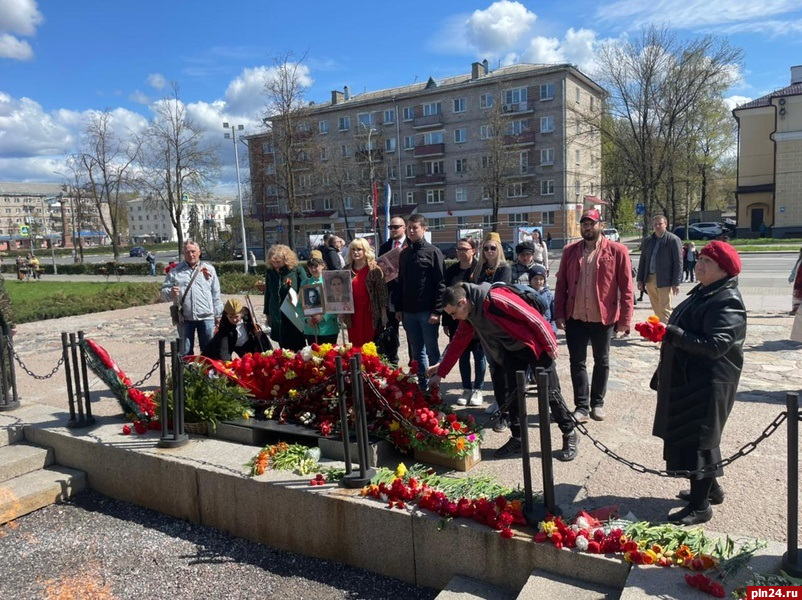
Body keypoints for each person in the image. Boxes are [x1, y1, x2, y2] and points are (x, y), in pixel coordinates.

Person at [651, 241, 746, 525]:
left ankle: (700, 505)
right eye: (700, 259)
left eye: (707, 262)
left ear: (723, 270)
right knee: (699, 439)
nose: (699, 265)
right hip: (691, 378)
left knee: (699, 440)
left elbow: (716, 345)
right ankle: (712, 489)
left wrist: (673, 333)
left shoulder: (727, 300)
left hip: (708, 383)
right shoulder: (707, 291)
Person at [427, 283, 578, 461]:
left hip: (534, 345)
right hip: (511, 351)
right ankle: (518, 438)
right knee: (513, 396)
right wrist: (440, 372)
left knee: (551, 393)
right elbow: (459, 341)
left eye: (453, 313)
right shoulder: (468, 315)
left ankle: (569, 433)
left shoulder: (496, 297)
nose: (453, 318)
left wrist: (550, 344)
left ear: (462, 302)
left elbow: (533, 317)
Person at [554, 208, 633, 423]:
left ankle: (597, 403)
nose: (588, 228)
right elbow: (561, 284)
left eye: (592, 224)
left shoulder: (617, 251)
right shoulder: (570, 251)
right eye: (584, 224)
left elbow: (627, 288)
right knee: (577, 362)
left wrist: (625, 320)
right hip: (575, 316)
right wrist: (558, 313)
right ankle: (581, 405)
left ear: (601, 225)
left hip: (603, 317)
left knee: (602, 360)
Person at [395, 214, 445, 391]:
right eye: (409, 227)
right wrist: (398, 308)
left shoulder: (433, 252)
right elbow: (401, 282)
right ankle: (422, 387)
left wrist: (437, 311)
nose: (411, 231)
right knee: (417, 352)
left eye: (415, 228)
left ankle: (435, 388)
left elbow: (441, 284)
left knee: (432, 351)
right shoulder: (405, 254)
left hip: (427, 312)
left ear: (424, 229)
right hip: (408, 312)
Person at [475, 232, 512, 427]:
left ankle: (504, 403)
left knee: (502, 365)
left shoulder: (504, 268)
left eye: (493, 248)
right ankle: (499, 399)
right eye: (486, 248)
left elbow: (498, 291)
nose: (489, 251)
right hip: (483, 322)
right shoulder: (480, 268)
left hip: (498, 322)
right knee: (492, 364)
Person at [442, 238, 485, 407]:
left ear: (473, 250)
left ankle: (478, 389)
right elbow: (447, 296)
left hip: (476, 319)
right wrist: (446, 320)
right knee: (462, 354)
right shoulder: (451, 270)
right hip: (456, 318)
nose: (461, 252)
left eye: (464, 249)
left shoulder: (479, 269)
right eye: (458, 248)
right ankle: (467, 388)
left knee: (479, 355)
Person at [160, 240, 223, 356]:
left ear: (199, 252)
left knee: (209, 352)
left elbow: (216, 294)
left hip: (206, 317)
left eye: (193, 251)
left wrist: (218, 315)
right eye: (187, 252)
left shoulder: (209, 270)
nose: (191, 254)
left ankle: (208, 374)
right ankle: (187, 374)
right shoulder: (176, 272)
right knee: (186, 353)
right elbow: (163, 293)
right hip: (185, 319)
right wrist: (171, 293)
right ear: (184, 254)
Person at [636, 215, 683, 324]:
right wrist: (640, 280)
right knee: (656, 309)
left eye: (660, 224)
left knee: (665, 309)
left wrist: (676, 282)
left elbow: (678, 262)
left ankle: (668, 334)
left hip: (665, 280)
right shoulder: (648, 241)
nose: (657, 226)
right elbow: (643, 261)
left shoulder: (673, 240)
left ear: (666, 224)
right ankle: (659, 332)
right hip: (650, 279)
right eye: (655, 224)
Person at [343, 238, 388, 348]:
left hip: (369, 312)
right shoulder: (346, 270)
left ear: (365, 251)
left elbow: (382, 293)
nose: (356, 252)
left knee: (369, 345)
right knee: (354, 344)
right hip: (352, 313)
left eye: (359, 249)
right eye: (353, 249)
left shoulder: (374, 269)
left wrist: (383, 314)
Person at [263, 244, 306, 352]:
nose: (276, 265)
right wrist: (267, 313)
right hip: (276, 313)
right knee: (283, 346)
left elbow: (306, 289)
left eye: (278, 262)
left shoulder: (297, 271)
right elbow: (268, 293)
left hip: (294, 313)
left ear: (286, 259)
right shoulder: (270, 273)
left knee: (298, 346)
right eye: (273, 262)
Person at [377, 216, 408, 365]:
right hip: (390, 294)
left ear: (404, 227)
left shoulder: (411, 244)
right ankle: (392, 363)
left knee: (411, 333)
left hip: (408, 294)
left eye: (396, 227)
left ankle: (414, 364)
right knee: (390, 330)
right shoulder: (384, 246)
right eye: (391, 227)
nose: (393, 230)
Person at [201, 299, 270, 361]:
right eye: (230, 317)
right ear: (226, 315)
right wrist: (227, 364)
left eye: (236, 316)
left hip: (247, 343)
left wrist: (256, 333)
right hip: (231, 343)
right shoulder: (224, 325)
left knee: (257, 359)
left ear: (241, 314)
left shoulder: (247, 317)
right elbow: (224, 349)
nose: (234, 320)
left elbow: (254, 328)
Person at [299, 257, 340, 345]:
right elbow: (299, 305)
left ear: (322, 266)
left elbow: (337, 303)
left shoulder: (330, 282)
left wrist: (324, 316)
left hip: (328, 329)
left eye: (315, 266)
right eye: (310, 267)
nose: (313, 269)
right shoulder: (305, 283)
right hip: (311, 330)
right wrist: (307, 319)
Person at [528, 265, 556, 334]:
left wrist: (552, 330)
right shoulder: (525, 294)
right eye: (535, 278)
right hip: (532, 330)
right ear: (530, 280)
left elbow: (554, 316)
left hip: (547, 329)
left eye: (541, 279)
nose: (538, 281)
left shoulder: (548, 295)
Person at [789, 247, 802, 315]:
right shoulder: (800, 260)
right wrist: (792, 275)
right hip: (799, 280)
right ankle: (796, 310)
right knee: (797, 295)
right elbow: (795, 268)